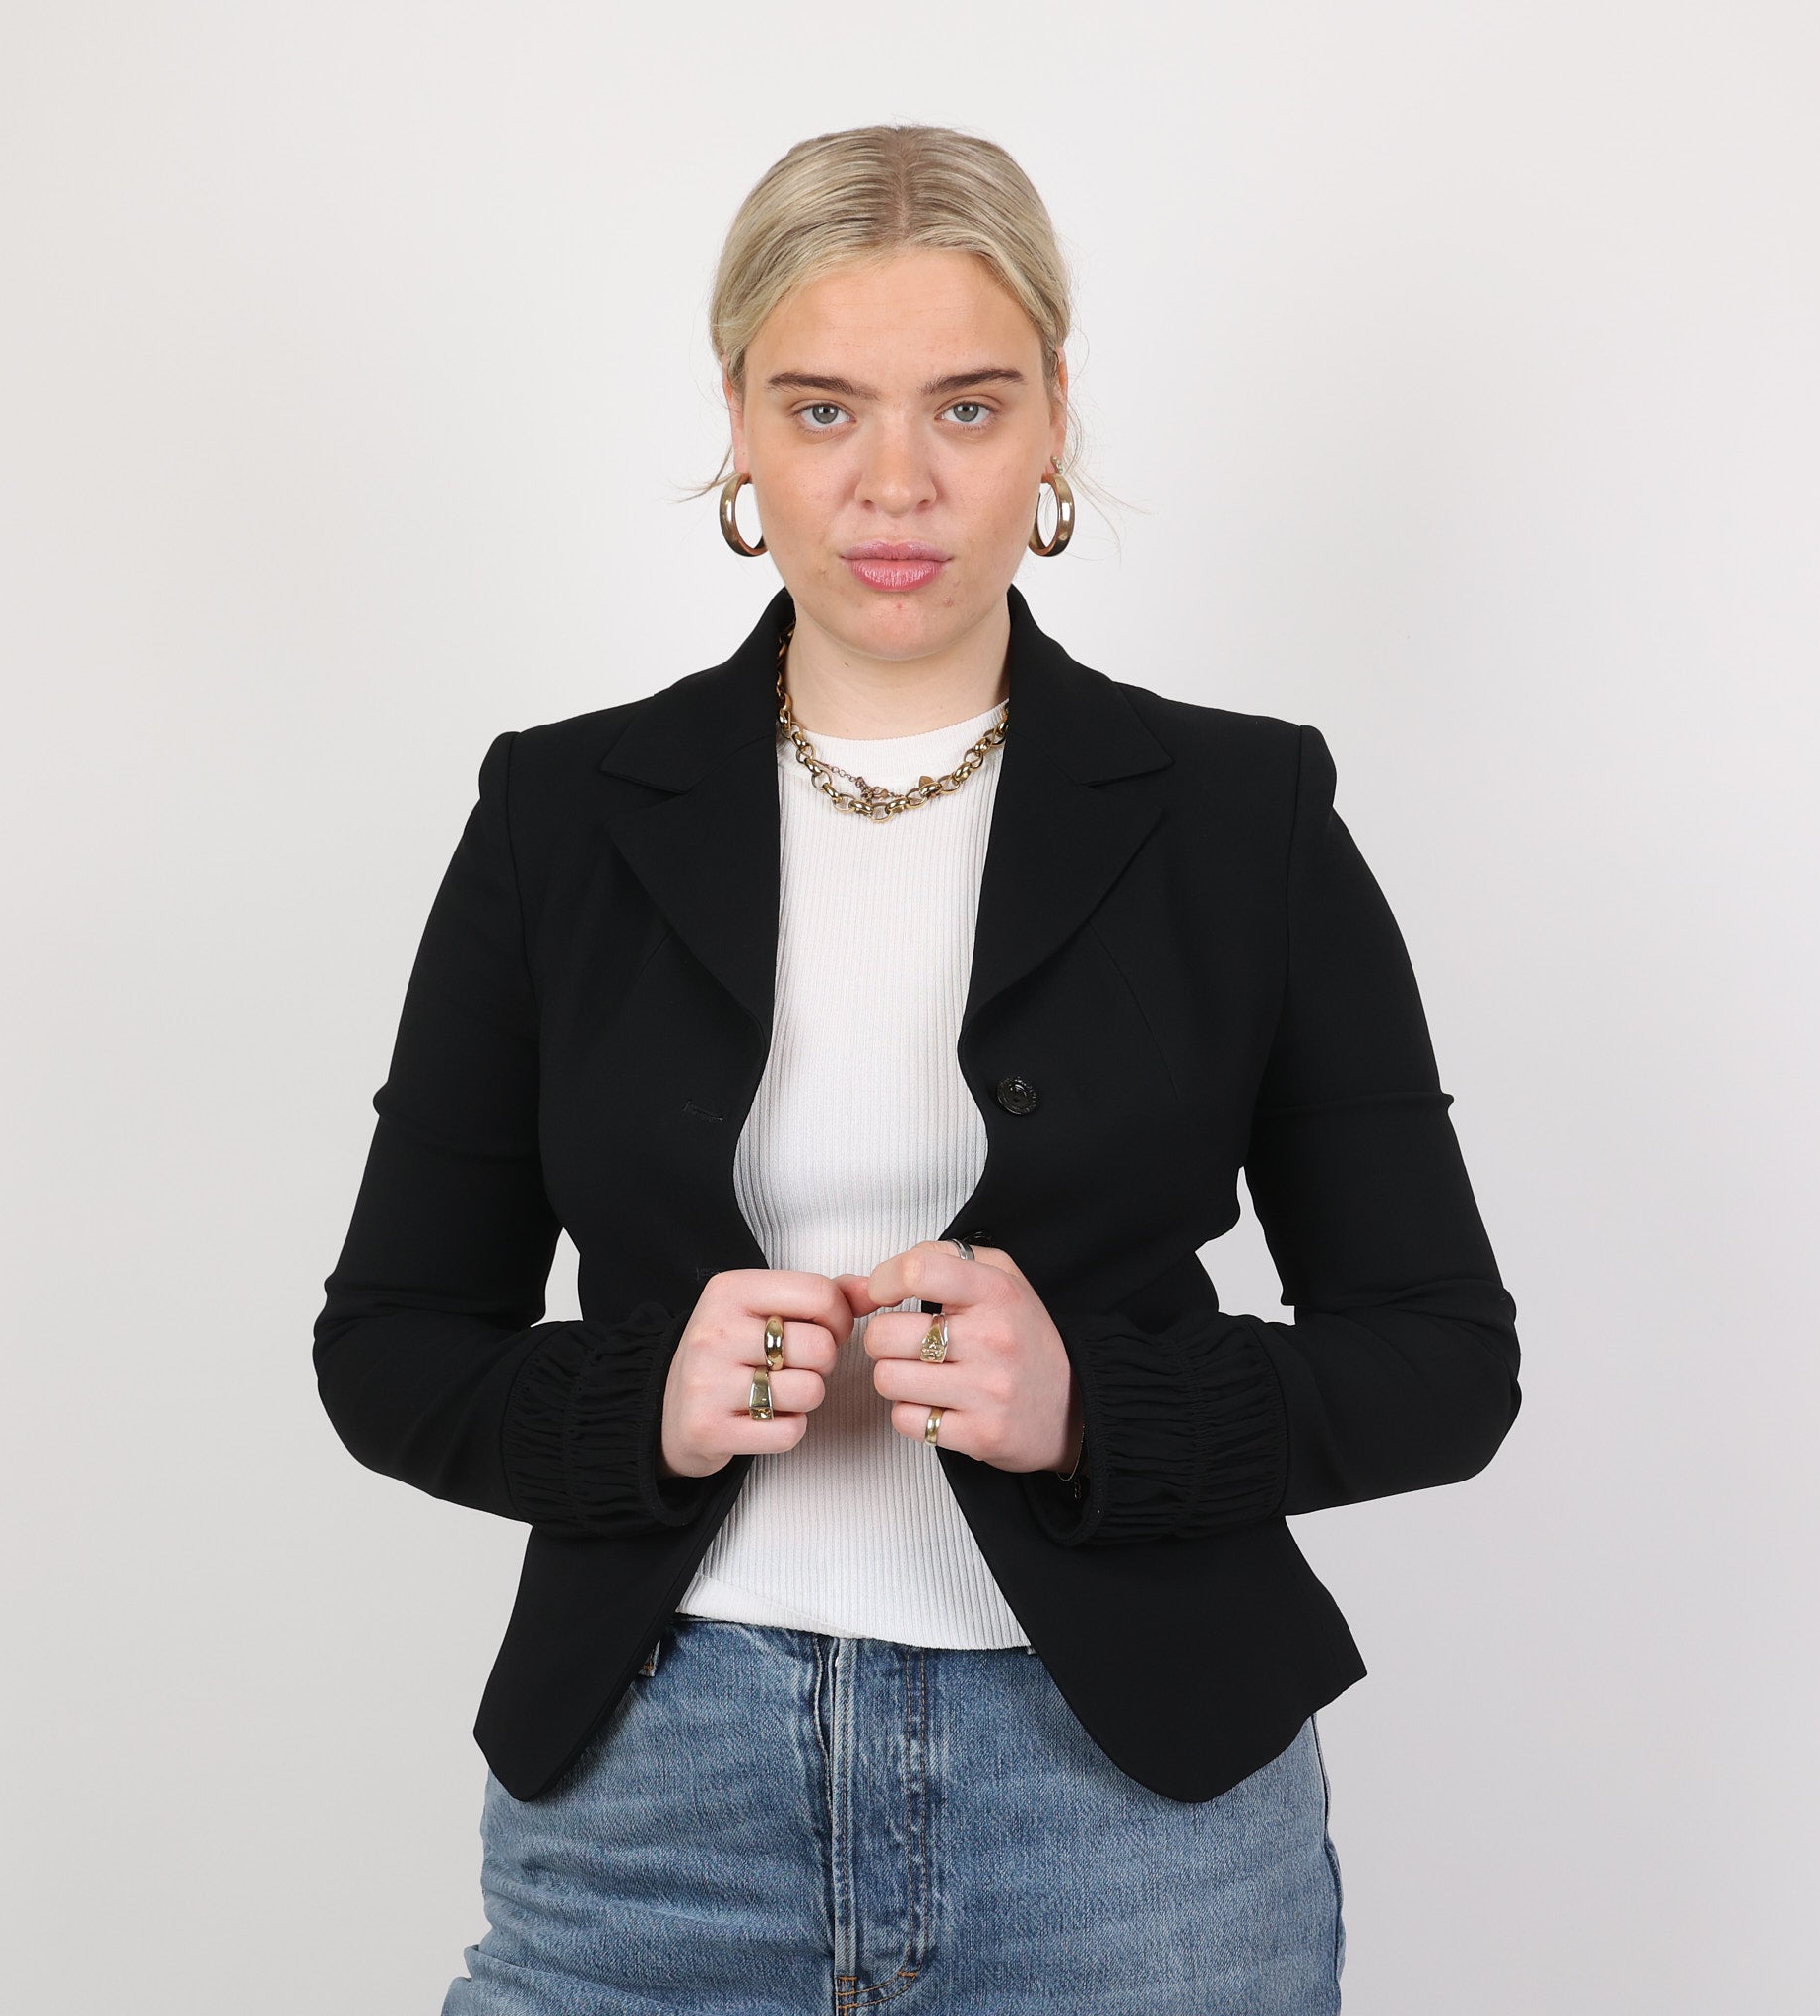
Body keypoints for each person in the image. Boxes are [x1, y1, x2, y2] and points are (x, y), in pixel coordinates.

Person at [313, 123, 1521, 2016]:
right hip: (654, 1802)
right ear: (737, 422)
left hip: (1134, 1827)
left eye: (968, 405)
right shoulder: (559, 815)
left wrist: (1097, 1406)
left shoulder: (1242, 815)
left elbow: (1444, 1362)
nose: (896, 484)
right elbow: (389, 1346)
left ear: (1055, 420)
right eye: (823, 409)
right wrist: (640, 1401)